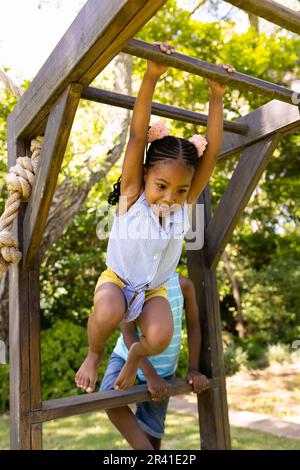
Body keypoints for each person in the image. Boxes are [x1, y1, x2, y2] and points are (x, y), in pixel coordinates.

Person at [75, 41, 235, 393]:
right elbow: (136, 135)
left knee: (161, 336)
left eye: (180, 190)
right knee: (108, 311)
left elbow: (213, 152)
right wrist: (151, 76)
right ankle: (93, 352)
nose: (170, 197)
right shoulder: (132, 196)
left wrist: (217, 95)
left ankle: (136, 354)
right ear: (146, 175)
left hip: (153, 290)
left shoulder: (184, 203)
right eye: (162, 185)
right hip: (116, 280)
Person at [100, 272, 209, 450]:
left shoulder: (183, 285)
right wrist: (149, 374)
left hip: (163, 370)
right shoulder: (130, 284)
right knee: (109, 398)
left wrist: (194, 369)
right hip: (126, 356)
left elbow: (194, 326)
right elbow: (128, 334)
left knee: (152, 433)